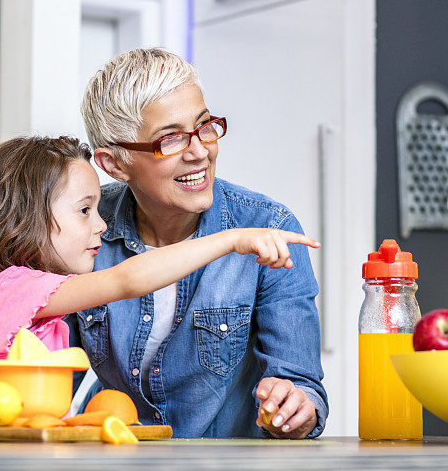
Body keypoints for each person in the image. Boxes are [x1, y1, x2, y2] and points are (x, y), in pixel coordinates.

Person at [0, 136, 318, 426]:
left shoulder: (44, 303)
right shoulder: (14, 287)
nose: (101, 225)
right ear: (25, 221)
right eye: (84, 211)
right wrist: (232, 239)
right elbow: (128, 279)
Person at [71, 48, 328, 439]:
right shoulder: (84, 229)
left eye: (205, 126)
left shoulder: (269, 228)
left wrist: (296, 408)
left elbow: (302, 385)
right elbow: (46, 369)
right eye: (170, 139)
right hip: (117, 458)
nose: (200, 151)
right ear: (114, 164)